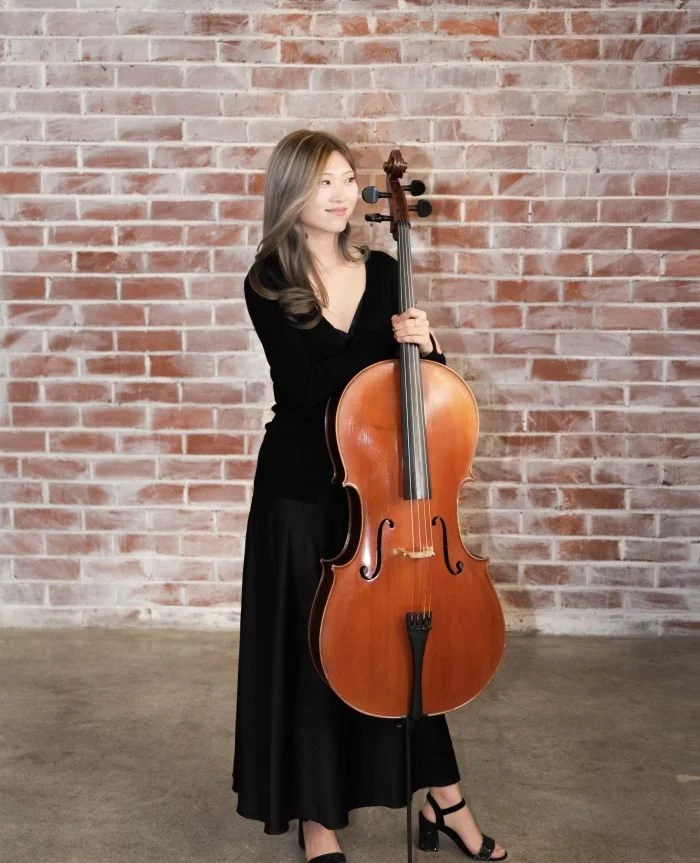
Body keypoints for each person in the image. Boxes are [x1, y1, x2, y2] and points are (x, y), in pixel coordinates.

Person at [232, 129, 507, 863]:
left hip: (382, 498)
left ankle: (446, 801)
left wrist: (428, 344)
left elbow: (420, 396)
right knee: (314, 655)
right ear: (291, 192)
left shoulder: (386, 270)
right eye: (324, 181)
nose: (342, 193)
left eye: (347, 179)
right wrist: (389, 340)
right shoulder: (267, 282)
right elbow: (308, 391)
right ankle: (317, 821)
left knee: (400, 649)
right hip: (301, 493)